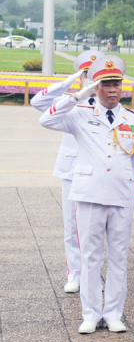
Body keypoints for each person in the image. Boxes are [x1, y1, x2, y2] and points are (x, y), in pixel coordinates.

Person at [39, 56, 134, 334]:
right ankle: (90, 313)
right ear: (96, 87)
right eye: (106, 84)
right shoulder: (80, 113)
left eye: (117, 84)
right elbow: (46, 119)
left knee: (119, 258)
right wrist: (78, 94)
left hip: (122, 197)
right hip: (89, 196)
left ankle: (113, 313)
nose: (113, 90)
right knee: (90, 257)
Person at [30, 50, 105, 293]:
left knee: (96, 228)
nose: (91, 79)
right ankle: (74, 273)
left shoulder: (108, 103)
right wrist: (70, 82)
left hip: (98, 172)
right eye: (87, 74)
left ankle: (93, 274)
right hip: (72, 170)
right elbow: (37, 102)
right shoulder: (70, 101)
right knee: (71, 228)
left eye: (94, 74)